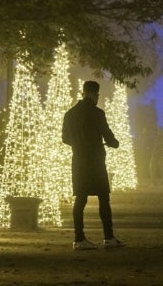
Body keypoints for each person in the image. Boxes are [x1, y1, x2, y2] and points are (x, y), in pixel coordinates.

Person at [62, 81, 124, 250]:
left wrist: (78, 144)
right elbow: (108, 136)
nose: (97, 98)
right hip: (96, 161)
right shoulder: (98, 114)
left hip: (79, 161)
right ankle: (108, 237)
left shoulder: (70, 114)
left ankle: (79, 238)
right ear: (93, 94)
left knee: (80, 199)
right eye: (97, 95)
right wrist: (114, 143)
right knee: (104, 198)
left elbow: (65, 138)